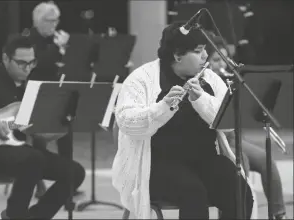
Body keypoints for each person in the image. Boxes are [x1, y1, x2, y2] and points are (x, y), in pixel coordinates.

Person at [111, 22, 256, 219]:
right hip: (156, 164)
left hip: (204, 160)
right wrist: (163, 107)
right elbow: (127, 124)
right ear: (178, 55)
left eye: (205, 50)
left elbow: (229, 124)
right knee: (193, 193)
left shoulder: (211, 79)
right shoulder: (141, 78)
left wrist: (201, 100)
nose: (205, 57)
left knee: (239, 191)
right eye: (198, 51)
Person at [0, 34, 85, 219]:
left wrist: (51, 132)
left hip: (18, 151)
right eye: (21, 63)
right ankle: (14, 216)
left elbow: (35, 136)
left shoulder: (31, 87)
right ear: (6, 59)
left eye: (32, 62)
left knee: (75, 172)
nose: (27, 68)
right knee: (33, 159)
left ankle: (33, 217)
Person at [207, 34, 287, 220]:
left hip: (234, 136)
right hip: (217, 139)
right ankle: (243, 214)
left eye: (225, 60)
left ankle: (278, 214)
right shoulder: (205, 81)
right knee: (242, 162)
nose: (222, 65)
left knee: (267, 160)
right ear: (206, 60)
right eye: (216, 59)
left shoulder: (229, 79)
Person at [22, 1, 85, 199]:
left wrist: (67, 49)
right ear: (38, 21)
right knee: (37, 138)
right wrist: (60, 47)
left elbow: (72, 64)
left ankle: (67, 182)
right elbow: (39, 64)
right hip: (33, 94)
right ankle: (37, 182)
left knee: (66, 130)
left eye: (56, 20)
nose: (54, 25)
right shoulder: (27, 38)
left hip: (58, 92)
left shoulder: (55, 39)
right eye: (50, 21)